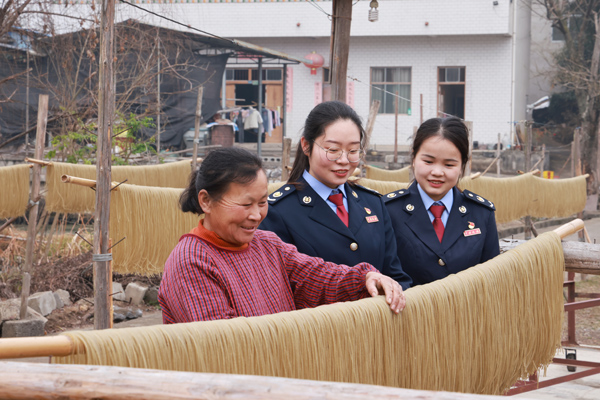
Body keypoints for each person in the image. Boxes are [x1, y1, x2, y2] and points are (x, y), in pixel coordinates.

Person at [158, 147, 406, 323]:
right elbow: (221, 345)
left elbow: (316, 277)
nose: (256, 215)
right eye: (246, 205)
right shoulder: (191, 262)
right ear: (206, 201)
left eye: (263, 202)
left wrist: (364, 278)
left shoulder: (267, 244)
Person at [259, 101, 412, 290]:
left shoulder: (373, 203)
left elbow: (396, 276)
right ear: (306, 146)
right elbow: (280, 289)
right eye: (332, 150)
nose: (343, 160)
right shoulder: (278, 211)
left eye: (353, 151)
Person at [384, 117, 500, 286]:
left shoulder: (481, 213)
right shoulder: (388, 211)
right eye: (428, 162)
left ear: (462, 166)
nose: (437, 172)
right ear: (414, 159)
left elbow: (492, 279)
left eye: (449, 165)